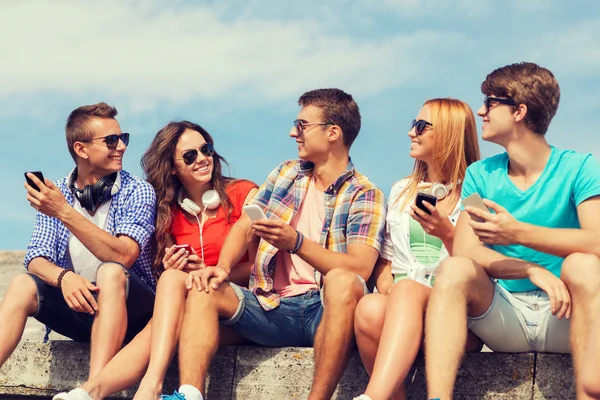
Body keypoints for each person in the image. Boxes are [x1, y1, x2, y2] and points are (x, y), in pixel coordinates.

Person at [151, 88, 387, 400]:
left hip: (324, 309)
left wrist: (297, 243)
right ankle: (189, 394)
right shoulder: (285, 173)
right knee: (203, 286)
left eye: (302, 125)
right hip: (270, 305)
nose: (293, 132)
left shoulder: (366, 193)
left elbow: (360, 267)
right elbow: (246, 226)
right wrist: (221, 268)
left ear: (332, 132)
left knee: (343, 280)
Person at [424, 62, 600, 400]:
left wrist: (517, 233)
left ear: (519, 111)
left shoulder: (581, 168)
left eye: (490, 103)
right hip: (505, 315)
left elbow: (596, 241)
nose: (480, 111)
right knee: (454, 268)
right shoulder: (479, 175)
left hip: (566, 315)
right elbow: (466, 250)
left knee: (585, 264)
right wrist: (530, 269)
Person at [53, 121, 258, 400]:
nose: (202, 158)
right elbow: (161, 279)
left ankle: (146, 386)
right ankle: (91, 392)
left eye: (206, 149)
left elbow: (263, 267)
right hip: (194, 313)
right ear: (173, 167)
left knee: (168, 311)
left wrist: (209, 272)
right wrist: (172, 269)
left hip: (240, 308)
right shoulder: (167, 213)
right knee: (169, 297)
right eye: (190, 155)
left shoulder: (243, 194)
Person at [0, 103, 156, 380]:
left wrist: (63, 211)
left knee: (110, 272)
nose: (121, 146)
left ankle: (92, 391)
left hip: (135, 316)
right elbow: (36, 257)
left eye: (123, 138)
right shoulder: (57, 192)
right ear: (81, 149)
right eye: (111, 140)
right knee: (21, 283)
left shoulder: (138, 190)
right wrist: (63, 278)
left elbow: (123, 256)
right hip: (83, 309)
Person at [353, 98, 481, 400]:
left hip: (458, 315)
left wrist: (449, 235)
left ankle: (372, 397)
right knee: (370, 308)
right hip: (405, 306)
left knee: (408, 290)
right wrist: (389, 291)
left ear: (449, 133)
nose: (412, 132)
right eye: (414, 124)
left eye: (421, 126)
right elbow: (385, 259)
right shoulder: (401, 190)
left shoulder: (476, 194)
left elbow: (480, 262)